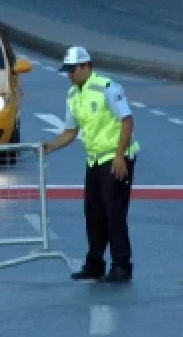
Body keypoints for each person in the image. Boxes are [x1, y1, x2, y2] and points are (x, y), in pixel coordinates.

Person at [42, 46, 140, 283]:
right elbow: (71, 130)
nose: (69, 75)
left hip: (115, 158)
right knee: (93, 214)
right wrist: (51, 146)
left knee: (114, 214)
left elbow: (126, 122)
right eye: (67, 71)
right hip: (94, 159)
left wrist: (120, 156)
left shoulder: (107, 88)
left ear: (86, 66)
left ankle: (121, 265)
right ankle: (95, 264)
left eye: (73, 70)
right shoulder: (73, 95)